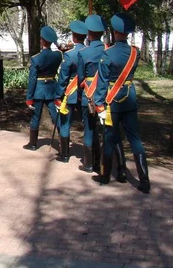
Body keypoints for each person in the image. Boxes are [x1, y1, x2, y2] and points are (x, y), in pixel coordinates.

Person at [94, 13, 150, 193]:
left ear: (115, 31)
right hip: (129, 98)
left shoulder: (107, 54)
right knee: (135, 139)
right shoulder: (136, 52)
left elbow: (102, 82)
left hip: (112, 100)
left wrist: (99, 104)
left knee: (110, 137)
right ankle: (144, 180)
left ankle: (105, 176)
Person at [24, 26, 63, 151]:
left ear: (41, 40)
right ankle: (64, 144)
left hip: (39, 90)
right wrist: (57, 43)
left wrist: (29, 98)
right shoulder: (58, 56)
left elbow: (32, 80)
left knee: (36, 116)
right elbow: (63, 51)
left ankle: (33, 144)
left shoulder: (36, 58)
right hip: (52, 88)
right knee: (56, 117)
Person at [54, 20, 88, 162]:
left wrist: (58, 95)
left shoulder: (69, 55)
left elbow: (63, 78)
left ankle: (65, 154)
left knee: (65, 124)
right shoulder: (89, 52)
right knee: (88, 125)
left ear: (74, 36)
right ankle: (89, 158)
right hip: (85, 93)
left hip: (70, 94)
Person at [77, 14, 106, 173]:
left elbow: (80, 77)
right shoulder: (108, 49)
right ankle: (105, 162)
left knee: (89, 128)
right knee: (107, 130)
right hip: (106, 94)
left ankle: (89, 163)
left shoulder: (84, 52)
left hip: (88, 95)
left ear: (89, 33)